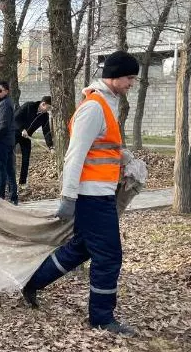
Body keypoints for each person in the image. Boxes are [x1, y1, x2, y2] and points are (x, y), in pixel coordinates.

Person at [20, 51, 141, 336]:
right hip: (92, 195)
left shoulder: (106, 104)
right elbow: (74, 156)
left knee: (81, 248)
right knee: (109, 255)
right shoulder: (94, 107)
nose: (132, 83)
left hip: (100, 192)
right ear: (113, 76)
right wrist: (68, 197)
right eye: (129, 77)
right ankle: (101, 317)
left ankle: (32, 282)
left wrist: (122, 157)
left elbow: (100, 148)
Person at [13, 95, 54, 189]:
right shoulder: (28, 106)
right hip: (15, 133)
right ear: (43, 104)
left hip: (27, 137)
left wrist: (50, 146)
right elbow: (15, 118)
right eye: (47, 108)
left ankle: (22, 182)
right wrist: (22, 129)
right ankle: (7, 179)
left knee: (26, 159)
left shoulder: (44, 116)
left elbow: (46, 131)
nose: (47, 110)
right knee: (8, 154)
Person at [0, 81, 17, 204]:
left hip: (1, 141)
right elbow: (1, 123)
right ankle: (13, 198)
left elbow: (4, 125)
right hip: (6, 140)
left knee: (1, 170)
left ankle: (0, 199)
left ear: (6, 91)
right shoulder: (3, 103)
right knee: (9, 169)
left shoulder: (5, 104)